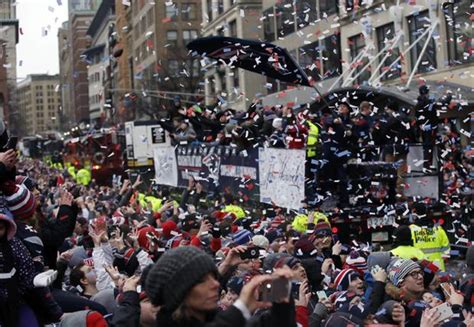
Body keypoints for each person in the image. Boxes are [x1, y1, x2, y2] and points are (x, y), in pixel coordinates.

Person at [145, 246, 297, 327]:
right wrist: (242, 307)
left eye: (213, 277)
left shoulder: (218, 318)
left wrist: (279, 296)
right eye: (201, 281)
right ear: (177, 293)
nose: (216, 284)